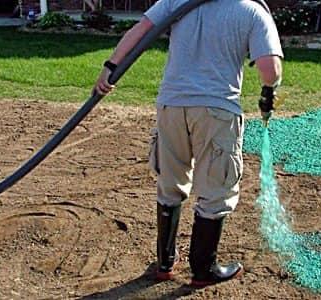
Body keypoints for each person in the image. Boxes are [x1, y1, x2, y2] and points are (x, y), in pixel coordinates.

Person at [93, 0, 283, 288]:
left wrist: (110, 67)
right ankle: (203, 268)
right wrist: (270, 88)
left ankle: (165, 263)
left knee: (170, 182)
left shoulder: (176, 1)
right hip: (217, 111)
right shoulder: (253, 11)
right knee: (215, 188)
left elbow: (140, 30)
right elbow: (269, 71)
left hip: (171, 105)